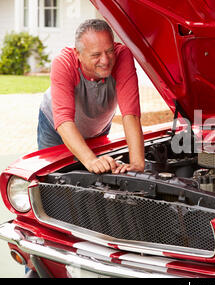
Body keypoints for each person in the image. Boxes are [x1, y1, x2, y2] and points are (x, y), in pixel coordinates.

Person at [37, 19, 144, 174]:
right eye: (96, 55)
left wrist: (136, 164)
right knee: (53, 180)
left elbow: (131, 113)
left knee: (97, 180)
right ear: (78, 54)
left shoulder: (122, 56)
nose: (106, 60)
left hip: (98, 128)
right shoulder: (63, 63)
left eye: (109, 51)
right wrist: (90, 159)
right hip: (55, 128)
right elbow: (64, 120)